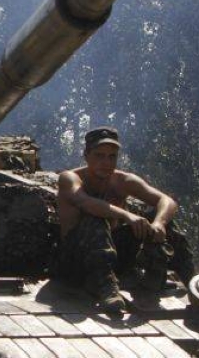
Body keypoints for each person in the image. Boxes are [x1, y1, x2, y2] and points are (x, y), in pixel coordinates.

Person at [54, 126, 182, 315]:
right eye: (99, 155)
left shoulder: (123, 181)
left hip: (114, 258)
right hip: (75, 262)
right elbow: (86, 203)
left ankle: (164, 278)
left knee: (163, 223)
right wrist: (126, 215)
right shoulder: (69, 179)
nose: (106, 162)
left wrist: (159, 223)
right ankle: (106, 288)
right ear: (86, 155)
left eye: (112, 156)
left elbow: (167, 201)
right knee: (95, 219)